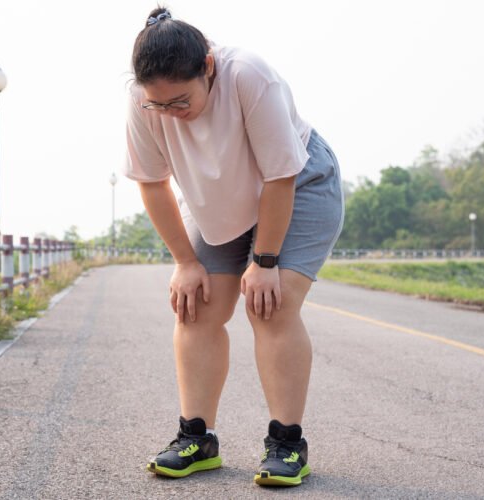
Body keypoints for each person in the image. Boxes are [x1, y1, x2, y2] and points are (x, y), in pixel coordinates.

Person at [124, 7, 344, 487]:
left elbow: (280, 176)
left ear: (207, 66)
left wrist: (264, 261)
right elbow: (153, 183)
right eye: (159, 105)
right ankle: (196, 439)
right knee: (195, 306)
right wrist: (185, 262)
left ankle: (287, 444)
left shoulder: (247, 74)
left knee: (271, 306)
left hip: (297, 185)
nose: (171, 113)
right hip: (222, 200)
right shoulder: (144, 101)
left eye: (180, 101)